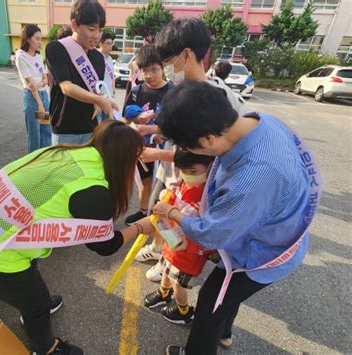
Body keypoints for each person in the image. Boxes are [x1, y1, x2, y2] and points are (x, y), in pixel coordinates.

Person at [0, 121, 154, 355]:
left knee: (30, 278)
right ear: (125, 162)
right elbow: (104, 244)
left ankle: (36, 304)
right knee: (35, 304)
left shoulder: (65, 152)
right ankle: (45, 347)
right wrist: (140, 227)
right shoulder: (93, 190)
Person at [151, 80, 319, 354]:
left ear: (207, 139)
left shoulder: (254, 177)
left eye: (187, 146)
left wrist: (172, 213)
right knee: (228, 299)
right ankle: (225, 333)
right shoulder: (262, 122)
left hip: (262, 254)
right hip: (274, 230)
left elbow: (211, 233)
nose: (187, 151)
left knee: (210, 302)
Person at [134, 19, 249, 282]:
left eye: (169, 62)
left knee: (176, 222)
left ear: (187, 55)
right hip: (190, 176)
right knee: (166, 216)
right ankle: (167, 261)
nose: (168, 70)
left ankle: (175, 270)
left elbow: (200, 152)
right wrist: (153, 131)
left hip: (205, 182)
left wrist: (156, 153)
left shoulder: (210, 98)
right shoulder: (197, 90)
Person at [144, 149, 215, 325]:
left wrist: (168, 215)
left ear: (210, 167)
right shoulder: (184, 182)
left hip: (188, 250)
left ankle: (182, 309)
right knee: (166, 268)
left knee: (178, 283)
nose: (187, 176)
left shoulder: (209, 195)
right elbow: (177, 198)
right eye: (183, 171)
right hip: (173, 240)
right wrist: (168, 197)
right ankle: (163, 292)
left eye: (193, 172)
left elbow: (202, 229)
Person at [46, 0, 118, 145]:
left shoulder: (98, 58)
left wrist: (106, 101)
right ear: (74, 25)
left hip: (90, 129)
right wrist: (99, 100)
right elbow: (66, 87)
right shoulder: (56, 49)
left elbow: (96, 90)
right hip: (65, 130)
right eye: (92, 29)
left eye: (100, 30)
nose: (97, 36)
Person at [123, 45, 173, 228]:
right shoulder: (136, 92)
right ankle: (143, 211)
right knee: (144, 181)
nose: (150, 75)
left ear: (162, 68)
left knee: (164, 186)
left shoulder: (173, 92)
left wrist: (160, 135)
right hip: (141, 148)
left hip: (165, 151)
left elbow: (178, 125)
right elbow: (125, 119)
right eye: (145, 71)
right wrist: (136, 118)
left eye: (154, 69)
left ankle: (160, 222)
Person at [15, 24, 52, 153]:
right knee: (34, 133)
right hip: (33, 99)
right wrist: (40, 104)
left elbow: (46, 80)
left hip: (43, 96)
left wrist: (40, 84)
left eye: (40, 39)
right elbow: (30, 85)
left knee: (46, 130)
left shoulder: (38, 57)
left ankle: (44, 158)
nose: (39, 42)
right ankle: (33, 162)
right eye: (37, 39)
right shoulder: (21, 56)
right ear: (28, 39)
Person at [97, 31, 116, 122]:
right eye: (108, 43)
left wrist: (113, 90)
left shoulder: (110, 58)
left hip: (109, 96)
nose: (110, 46)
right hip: (99, 96)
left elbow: (112, 76)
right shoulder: (96, 57)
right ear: (100, 43)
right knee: (97, 123)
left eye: (111, 43)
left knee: (107, 123)